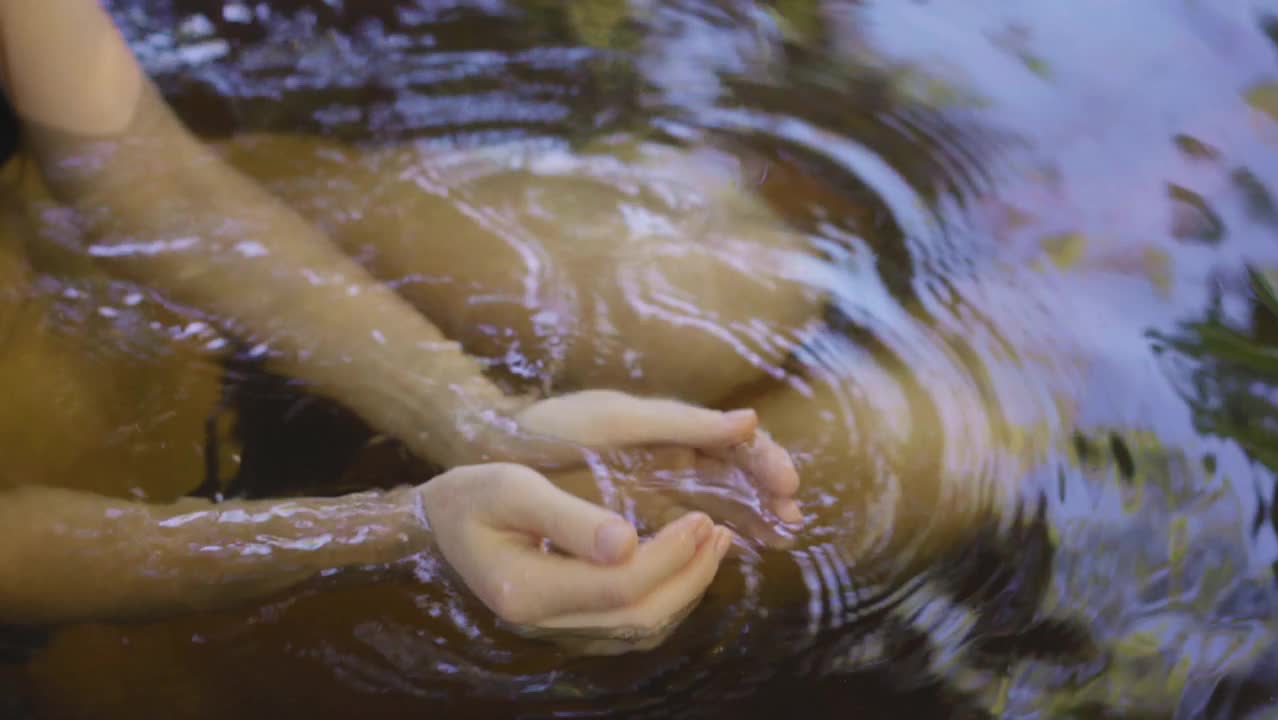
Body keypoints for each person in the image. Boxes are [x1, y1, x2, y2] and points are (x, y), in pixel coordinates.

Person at [0, 0, 807, 648]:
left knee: (735, 288)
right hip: (57, 458)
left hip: (55, 234)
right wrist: (399, 528)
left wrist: (477, 418)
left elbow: (140, 178)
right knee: (899, 451)